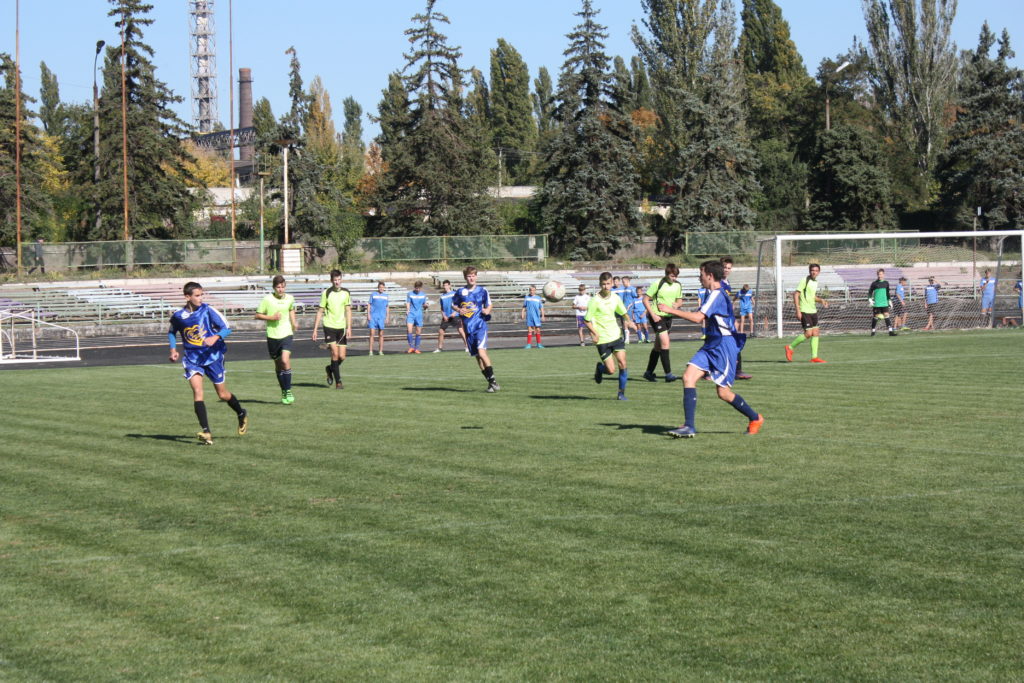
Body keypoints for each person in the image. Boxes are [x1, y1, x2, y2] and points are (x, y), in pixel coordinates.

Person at [658, 261, 764, 438]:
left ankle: (755, 418)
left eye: (701, 273)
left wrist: (671, 310)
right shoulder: (713, 293)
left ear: (709, 275)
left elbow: (698, 318)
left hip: (724, 346)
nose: (699, 277)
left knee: (723, 393)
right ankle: (689, 426)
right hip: (711, 344)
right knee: (688, 377)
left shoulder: (716, 294)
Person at [167, 281, 248, 445]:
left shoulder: (208, 310)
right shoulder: (178, 316)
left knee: (222, 394)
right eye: (197, 295)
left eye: (202, 295)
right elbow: (171, 331)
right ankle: (206, 432)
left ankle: (241, 413)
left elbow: (227, 327)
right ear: (187, 297)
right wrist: (173, 349)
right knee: (197, 391)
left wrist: (215, 337)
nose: (200, 298)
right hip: (192, 358)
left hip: (212, 356)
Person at [585, 272, 637, 400]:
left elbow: (623, 312)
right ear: (599, 284)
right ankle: (600, 369)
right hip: (602, 340)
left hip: (616, 336)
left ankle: (621, 394)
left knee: (623, 364)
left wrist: (629, 321)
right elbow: (586, 320)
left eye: (608, 284)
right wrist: (595, 333)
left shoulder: (615, 298)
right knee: (611, 370)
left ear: (612, 283)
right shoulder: (594, 301)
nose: (606, 287)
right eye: (603, 284)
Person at [453, 266, 500, 392]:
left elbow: (489, 304)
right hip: (468, 329)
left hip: (480, 325)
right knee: (477, 357)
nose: (471, 278)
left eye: (473, 275)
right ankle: (491, 382)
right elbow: (453, 304)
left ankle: (494, 381)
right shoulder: (460, 291)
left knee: (481, 352)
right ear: (465, 277)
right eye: (469, 276)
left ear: (476, 276)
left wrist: (487, 310)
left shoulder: (482, 290)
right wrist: (459, 309)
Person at [254, 275, 298, 404]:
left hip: (286, 333)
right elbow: (257, 315)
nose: (281, 289)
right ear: (274, 288)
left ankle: (288, 390)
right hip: (272, 336)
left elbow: (291, 309)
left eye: (283, 287)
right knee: (278, 365)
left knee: (285, 360)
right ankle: (283, 391)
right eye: (278, 287)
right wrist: (271, 318)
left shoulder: (290, 298)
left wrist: (294, 322)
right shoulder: (267, 299)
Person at [642, 263, 683, 382]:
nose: (674, 278)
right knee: (665, 342)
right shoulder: (658, 283)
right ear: (666, 274)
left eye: (676, 276)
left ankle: (648, 372)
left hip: (669, 317)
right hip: (657, 317)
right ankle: (668, 374)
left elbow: (680, 300)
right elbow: (645, 299)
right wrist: (653, 314)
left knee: (658, 346)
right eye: (672, 276)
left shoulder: (678, 285)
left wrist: (678, 304)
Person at [312, 269, 352, 389]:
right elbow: (320, 311)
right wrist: (315, 329)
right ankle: (338, 382)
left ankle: (330, 369)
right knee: (334, 353)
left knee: (342, 357)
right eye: (335, 280)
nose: (337, 282)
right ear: (331, 280)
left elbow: (348, 310)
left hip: (341, 327)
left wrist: (349, 327)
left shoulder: (346, 292)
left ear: (341, 279)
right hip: (329, 326)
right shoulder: (326, 293)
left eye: (339, 280)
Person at [784, 263, 829, 363]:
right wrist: (798, 310)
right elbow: (796, 294)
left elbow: (812, 296)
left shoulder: (815, 282)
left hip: (813, 310)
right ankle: (790, 347)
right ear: (809, 271)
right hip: (804, 310)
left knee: (816, 333)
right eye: (812, 270)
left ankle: (814, 357)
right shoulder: (805, 280)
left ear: (819, 272)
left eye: (816, 270)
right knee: (808, 334)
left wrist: (821, 300)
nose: (814, 272)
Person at [720, 257, 751, 380]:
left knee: (733, 343)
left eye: (729, 268)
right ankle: (736, 371)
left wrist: (732, 317)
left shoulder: (726, 282)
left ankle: (737, 370)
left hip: (728, 318)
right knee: (726, 344)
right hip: (722, 318)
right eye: (725, 267)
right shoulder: (718, 283)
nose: (727, 270)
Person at [434, 279, 464, 352]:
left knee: (460, 330)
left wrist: (455, 312)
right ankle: (440, 348)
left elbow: (459, 304)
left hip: (455, 315)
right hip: (446, 316)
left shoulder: (454, 294)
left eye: (446, 285)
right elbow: (442, 308)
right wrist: (444, 315)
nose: (445, 287)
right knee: (441, 331)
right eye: (444, 285)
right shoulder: (442, 296)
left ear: (449, 286)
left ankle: (467, 346)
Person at [867, 268, 897, 337]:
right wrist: (870, 299)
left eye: (881, 274)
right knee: (876, 317)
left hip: (884, 303)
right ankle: (873, 331)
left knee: (887, 315)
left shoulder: (886, 283)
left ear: (883, 274)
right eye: (878, 274)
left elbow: (887, 293)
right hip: (877, 303)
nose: (879, 276)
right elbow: (870, 292)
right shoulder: (874, 283)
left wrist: (889, 301)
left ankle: (890, 331)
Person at [405, 281, 429, 353]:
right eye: (416, 288)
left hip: (419, 315)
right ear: (414, 287)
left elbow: (424, 305)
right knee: (409, 330)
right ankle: (411, 347)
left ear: (420, 288)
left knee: (418, 332)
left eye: (418, 288)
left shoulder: (423, 295)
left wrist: (426, 306)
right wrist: (408, 310)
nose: (417, 289)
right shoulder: (410, 294)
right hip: (411, 314)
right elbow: (408, 302)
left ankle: (416, 349)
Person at [367, 281, 389, 355]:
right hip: (373, 317)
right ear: (378, 287)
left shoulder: (386, 296)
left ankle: (380, 351)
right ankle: (370, 351)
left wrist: (387, 316)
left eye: (383, 287)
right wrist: (368, 315)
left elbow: (387, 306)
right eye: (380, 287)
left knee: (381, 334)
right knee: (372, 334)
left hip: (381, 317)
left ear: (384, 288)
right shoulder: (373, 294)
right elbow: (369, 305)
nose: (381, 288)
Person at [620, 276, 636, 343]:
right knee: (625, 323)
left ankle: (640, 334)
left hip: (629, 308)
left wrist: (629, 306)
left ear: (627, 281)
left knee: (628, 323)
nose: (623, 283)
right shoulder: (625, 289)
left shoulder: (632, 289)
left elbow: (635, 299)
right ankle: (627, 339)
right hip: (624, 308)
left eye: (623, 282)